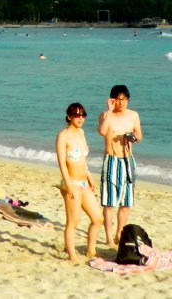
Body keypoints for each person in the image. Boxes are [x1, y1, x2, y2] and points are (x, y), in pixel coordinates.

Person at [96, 84, 143, 246]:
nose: (121, 103)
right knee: (109, 203)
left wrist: (133, 138)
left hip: (128, 160)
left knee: (126, 202)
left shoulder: (133, 115)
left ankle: (119, 234)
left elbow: (140, 136)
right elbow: (102, 131)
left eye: (124, 100)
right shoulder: (105, 115)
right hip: (112, 160)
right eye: (117, 100)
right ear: (112, 100)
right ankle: (109, 238)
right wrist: (109, 111)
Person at [57, 102, 103, 262]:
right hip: (71, 183)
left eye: (83, 114)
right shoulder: (63, 135)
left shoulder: (82, 133)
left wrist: (89, 176)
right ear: (69, 117)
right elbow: (62, 162)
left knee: (98, 219)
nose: (80, 118)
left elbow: (83, 159)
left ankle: (91, 250)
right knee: (73, 221)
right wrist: (68, 184)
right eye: (76, 115)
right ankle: (72, 254)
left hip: (84, 182)